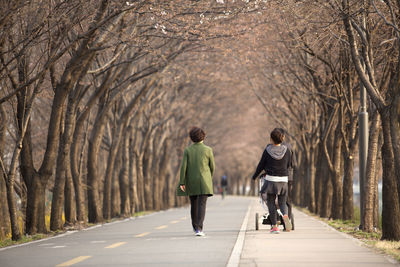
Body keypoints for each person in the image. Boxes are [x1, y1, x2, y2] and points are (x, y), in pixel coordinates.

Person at [252, 128, 292, 234]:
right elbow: (289, 164)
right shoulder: (287, 150)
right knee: (283, 203)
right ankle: (285, 215)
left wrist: (255, 176)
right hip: (284, 180)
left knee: (271, 202)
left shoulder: (268, 150)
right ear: (282, 138)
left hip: (271, 180)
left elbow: (261, 165)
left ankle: (274, 226)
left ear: (271, 139)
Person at [178, 127, 215, 237]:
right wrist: (209, 177)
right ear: (203, 136)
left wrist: (182, 182)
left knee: (193, 204)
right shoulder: (208, 150)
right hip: (204, 181)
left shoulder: (187, 150)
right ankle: (199, 228)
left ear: (191, 138)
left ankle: (195, 227)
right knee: (202, 204)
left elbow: (183, 167)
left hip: (191, 181)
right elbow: (212, 167)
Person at [278, 128, 296, 231]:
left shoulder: (271, 147)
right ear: (283, 136)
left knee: (275, 199)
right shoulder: (289, 146)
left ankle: (275, 220)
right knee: (287, 200)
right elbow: (294, 163)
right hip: (288, 177)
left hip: (274, 178)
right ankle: (287, 222)